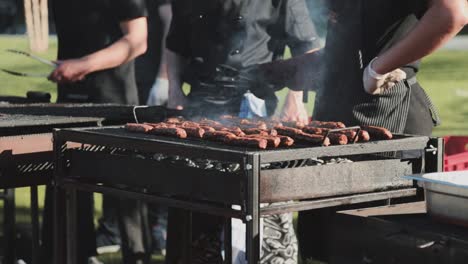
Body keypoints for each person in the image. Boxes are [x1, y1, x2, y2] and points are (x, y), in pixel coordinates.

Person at [296, 0, 468, 261]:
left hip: (386, 123)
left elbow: (452, 13)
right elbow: (364, 41)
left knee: (373, 248)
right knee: (327, 249)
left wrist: (381, 67)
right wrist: (299, 68)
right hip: (334, 122)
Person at [164, 0, 321, 263]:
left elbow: (307, 47)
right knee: (198, 197)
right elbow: (174, 45)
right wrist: (174, 90)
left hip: (256, 111)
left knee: (261, 199)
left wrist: (295, 97)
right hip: (200, 110)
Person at [41, 1, 151, 264]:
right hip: (70, 102)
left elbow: (138, 39)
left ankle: (137, 257)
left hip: (115, 104)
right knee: (66, 190)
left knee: (128, 196)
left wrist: (84, 64)